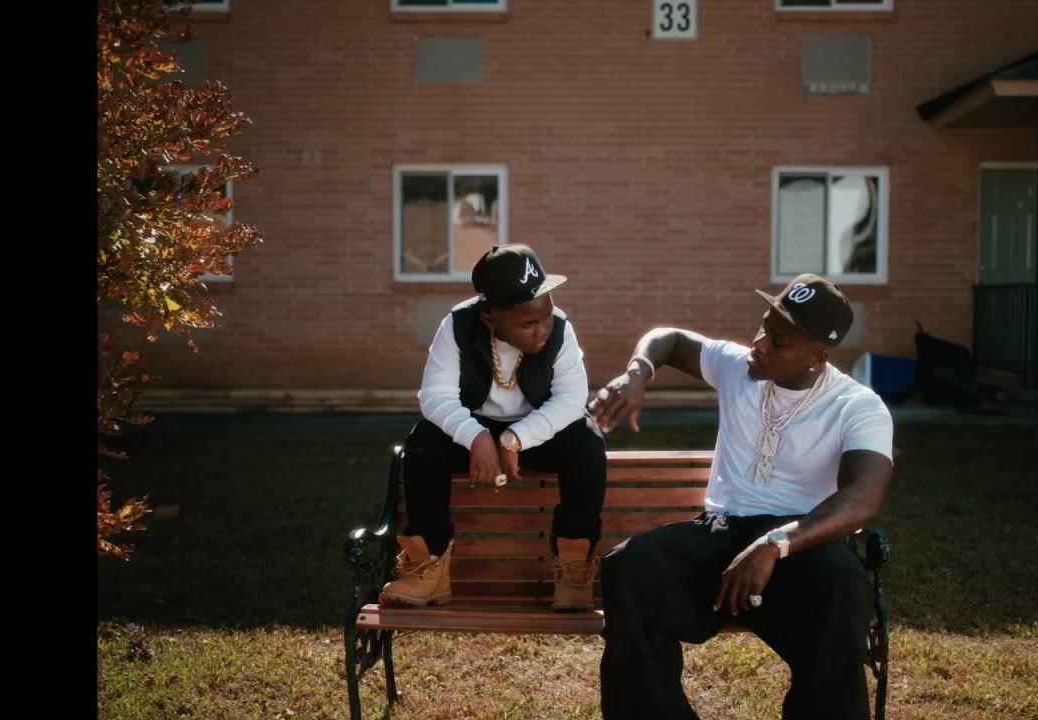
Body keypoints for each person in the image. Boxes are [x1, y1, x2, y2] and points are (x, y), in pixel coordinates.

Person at [588, 273, 895, 719]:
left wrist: (775, 544)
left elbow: (861, 498)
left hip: (801, 544)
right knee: (629, 567)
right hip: (721, 532)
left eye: (779, 341)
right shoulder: (737, 367)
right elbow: (670, 339)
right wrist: (638, 374)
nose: (760, 344)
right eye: (764, 327)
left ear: (818, 357)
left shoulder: (857, 406)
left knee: (844, 588)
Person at [379, 243, 608, 612]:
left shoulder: (561, 329)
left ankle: (574, 566)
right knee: (424, 442)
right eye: (528, 323)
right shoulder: (457, 325)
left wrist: (518, 437)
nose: (542, 329)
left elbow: (572, 399)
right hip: (474, 432)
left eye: (546, 315)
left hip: (538, 433)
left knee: (586, 441)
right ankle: (429, 566)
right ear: (490, 319)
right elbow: (435, 396)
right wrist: (476, 436)